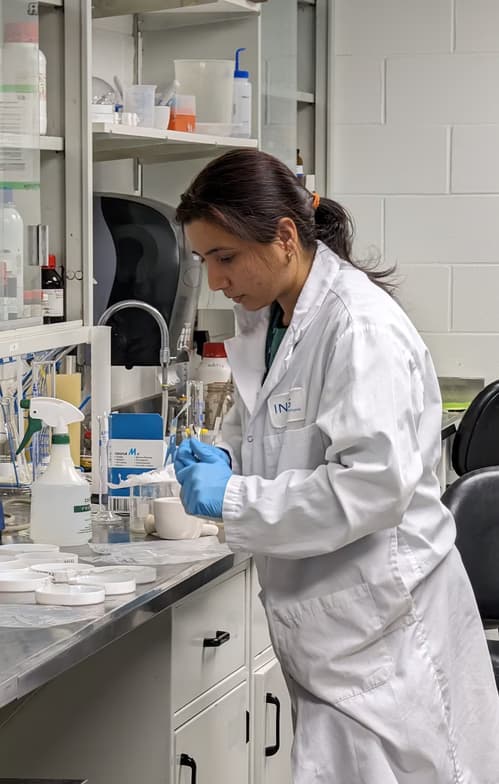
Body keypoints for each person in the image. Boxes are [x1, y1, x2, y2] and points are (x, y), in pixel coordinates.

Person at [173, 148, 499, 783]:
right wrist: (228, 457)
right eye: (204, 259)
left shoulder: (360, 329)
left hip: (387, 639)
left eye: (225, 256)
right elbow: (276, 429)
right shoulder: (272, 320)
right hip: (333, 639)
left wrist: (233, 498)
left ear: (285, 237)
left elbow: (371, 487)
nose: (214, 280)